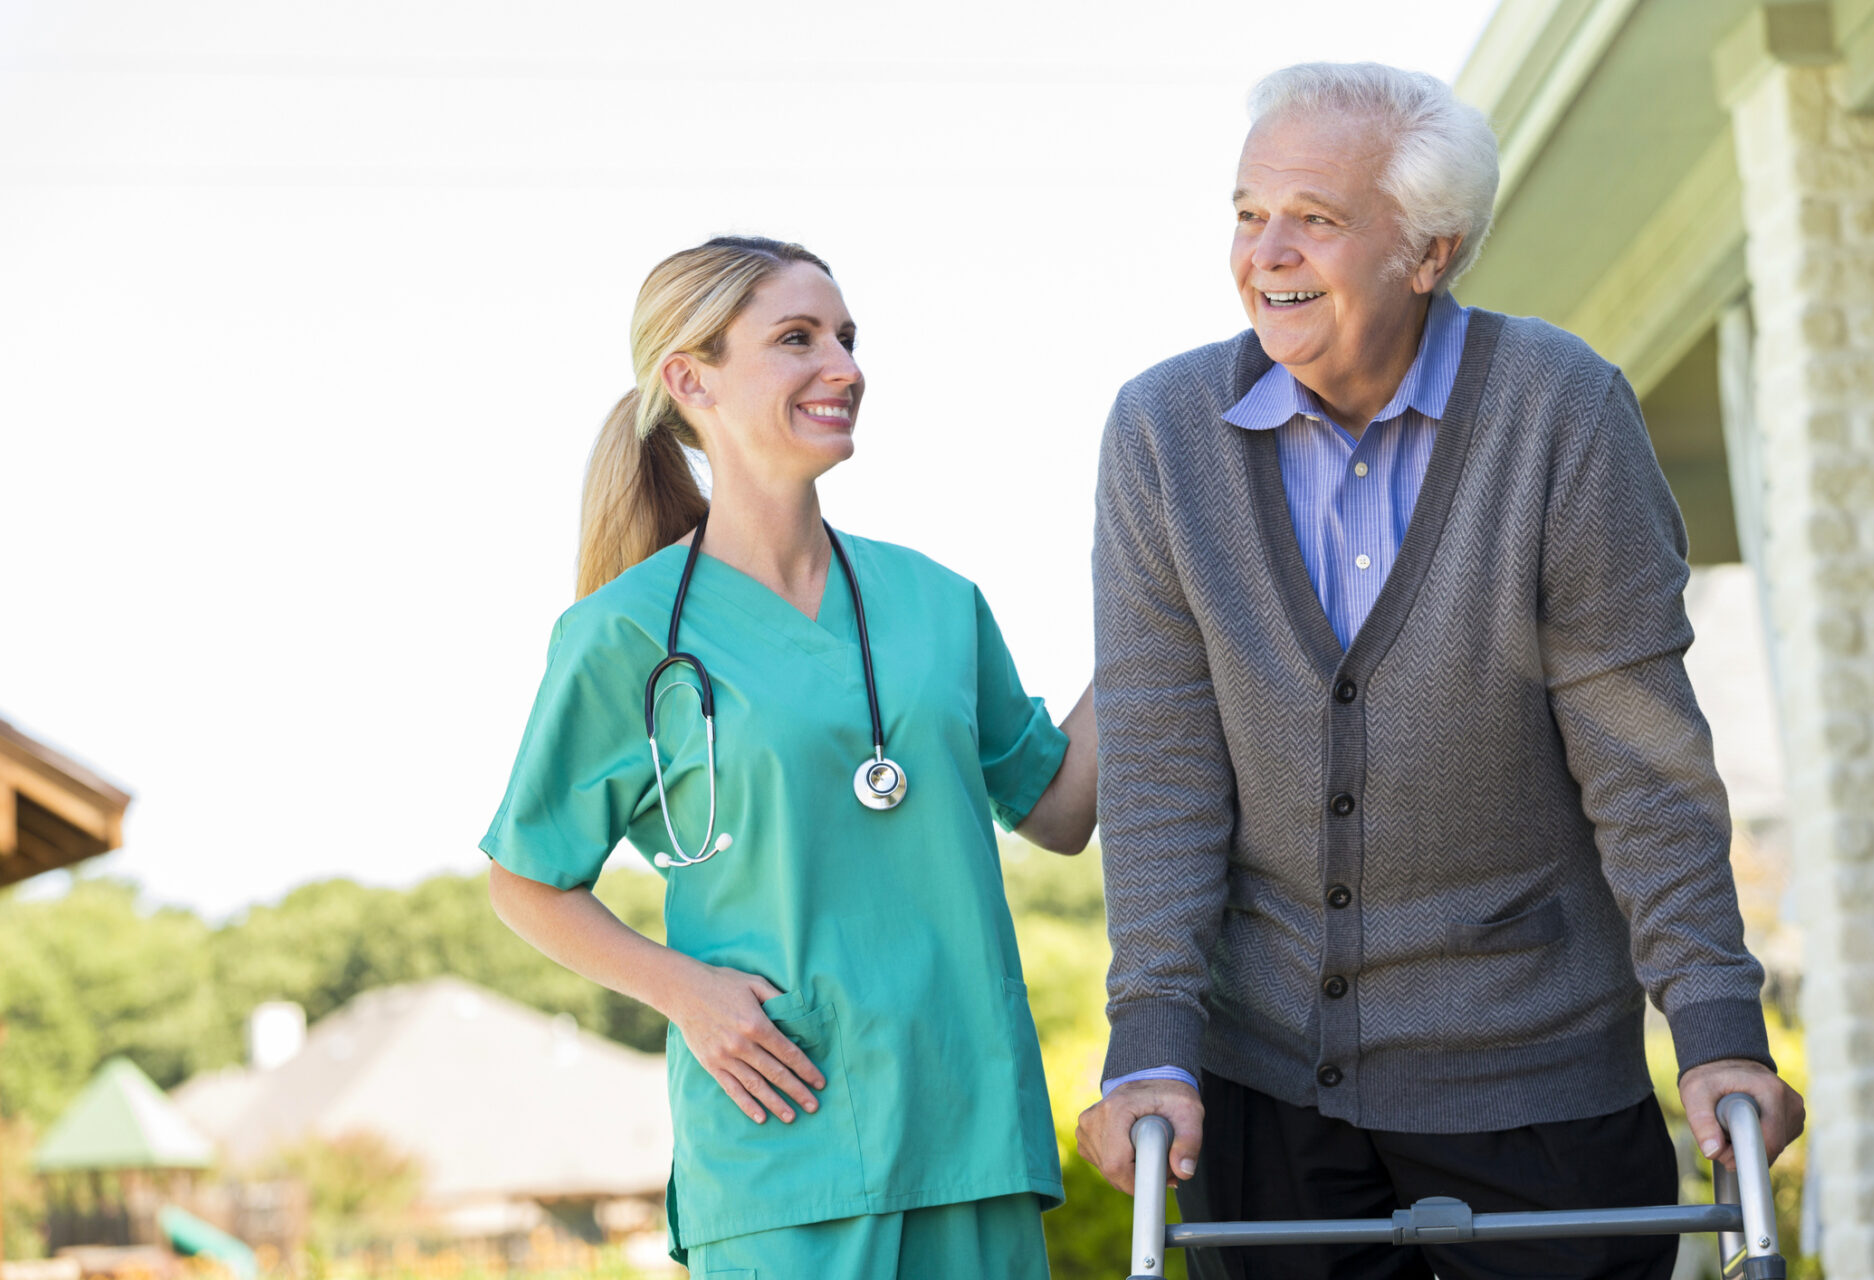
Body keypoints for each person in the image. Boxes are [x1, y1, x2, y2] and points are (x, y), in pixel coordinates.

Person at [1074, 63, 1805, 1280]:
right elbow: (1157, 766)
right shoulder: (1161, 435)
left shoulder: (1559, 411)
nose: (1266, 252)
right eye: (1248, 212)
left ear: (1429, 252)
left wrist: (1718, 1027)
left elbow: (1643, 758)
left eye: (1314, 215)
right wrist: (1150, 1038)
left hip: (1536, 1075)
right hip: (1266, 1082)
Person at [482, 236, 1094, 1280]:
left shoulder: (939, 602)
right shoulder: (626, 635)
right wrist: (685, 990)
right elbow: (526, 879)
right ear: (690, 378)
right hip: (787, 1146)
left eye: (848, 339)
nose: (844, 366)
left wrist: (1156, 606)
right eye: (797, 339)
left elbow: (1061, 808)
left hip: (971, 1129)